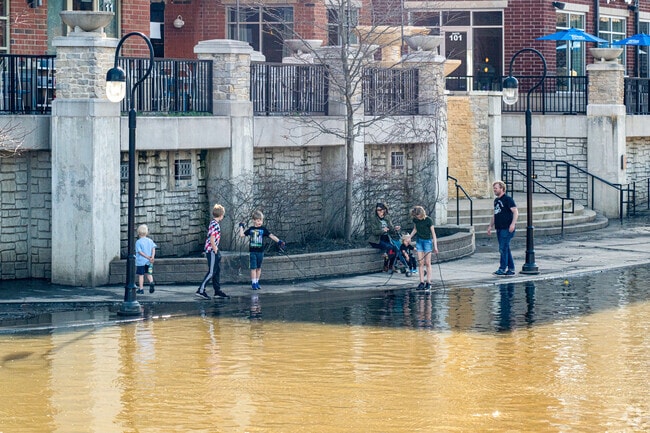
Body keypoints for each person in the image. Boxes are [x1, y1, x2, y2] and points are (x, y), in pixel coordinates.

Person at [238, 210, 285, 290]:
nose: (260, 222)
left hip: (260, 252)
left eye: (261, 220)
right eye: (258, 220)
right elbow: (242, 235)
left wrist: (279, 241)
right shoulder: (251, 229)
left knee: (259, 268)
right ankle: (253, 283)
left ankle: (257, 282)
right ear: (254, 220)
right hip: (253, 252)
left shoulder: (263, 229)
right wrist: (241, 227)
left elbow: (271, 235)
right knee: (253, 268)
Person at [196, 204, 229, 300]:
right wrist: (216, 251)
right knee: (211, 272)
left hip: (212, 250)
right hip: (211, 250)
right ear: (221, 215)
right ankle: (201, 290)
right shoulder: (215, 224)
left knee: (216, 271)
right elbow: (212, 238)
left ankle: (217, 290)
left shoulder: (213, 223)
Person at [487, 180, 519, 276]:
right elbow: (495, 214)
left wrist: (513, 224)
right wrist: (490, 226)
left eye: (496, 188)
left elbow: (515, 211)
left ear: (502, 188)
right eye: (494, 188)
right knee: (505, 248)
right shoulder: (496, 200)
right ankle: (511, 268)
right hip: (499, 227)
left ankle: (502, 268)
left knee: (502, 248)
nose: (494, 190)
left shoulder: (508, 199)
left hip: (507, 228)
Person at [409, 206, 438, 290]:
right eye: (416, 215)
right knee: (421, 263)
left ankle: (428, 282)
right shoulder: (415, 220)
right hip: (419, 241)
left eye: (418, 215)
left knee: (427, 262)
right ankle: (421, 282)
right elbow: (415, 229)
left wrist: (435, 246)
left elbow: (433, 234)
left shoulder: (428, 220)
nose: (417, 216)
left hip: (427, 242)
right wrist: (410, 237)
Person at [368, 202, 401, 272]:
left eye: (380, 210)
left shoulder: (387, 217)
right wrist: (383, 230)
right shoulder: (374, 218)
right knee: (390, 248)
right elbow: (374, 232)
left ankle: (391, 266)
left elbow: (391, 229)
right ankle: (385, 266)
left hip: (386, 238)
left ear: (384, 210)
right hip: (376, 239)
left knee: (395, 248)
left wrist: (395, 228)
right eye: (377, 210)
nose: (379, 212)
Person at [135, 224, 157, 295]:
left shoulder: (138, 242)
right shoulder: (150, 241)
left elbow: (140, 252)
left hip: (141, 261)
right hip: (149, 261)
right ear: (147, 232)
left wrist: (147, 257)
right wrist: (152, 257)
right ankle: (151, 282)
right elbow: (153, 248)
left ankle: (141, 289)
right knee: (149, 273)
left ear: (138, 232)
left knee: (141, 275)